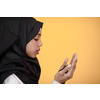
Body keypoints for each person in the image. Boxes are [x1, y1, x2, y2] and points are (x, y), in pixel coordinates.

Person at [0, 17, 78, 84]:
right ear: (20, 40)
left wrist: (59, 80)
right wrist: (57, 82)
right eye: (36, 39)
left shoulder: (26, 69)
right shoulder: (11, 80)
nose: (40, 43)